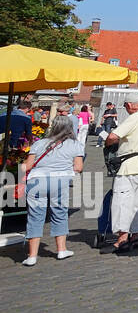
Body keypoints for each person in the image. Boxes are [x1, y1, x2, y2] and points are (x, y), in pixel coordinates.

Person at [19, 114, 84, 266]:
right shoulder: (75, 145)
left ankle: (32, 256)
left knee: (35, 216)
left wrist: (19, 178)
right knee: (60, 214)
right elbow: (78, 168)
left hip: (36, 181)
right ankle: (61, 250)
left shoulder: (39, 143)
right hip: (59, 181)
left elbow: (26, 166)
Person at [104, 92, 138, 254]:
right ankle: (136, 235)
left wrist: (109, 143)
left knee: (123, 200)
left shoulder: (135, 117)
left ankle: (122, 239)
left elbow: (114, 136)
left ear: (129, 105)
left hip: (130, 164)